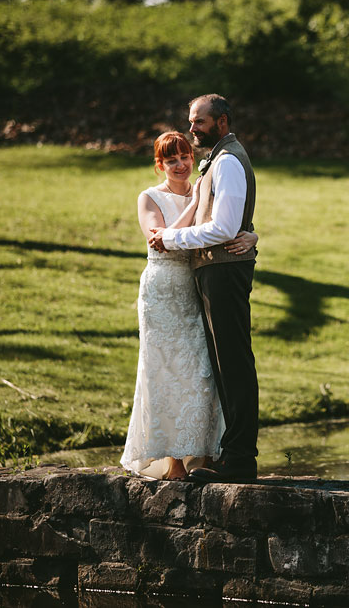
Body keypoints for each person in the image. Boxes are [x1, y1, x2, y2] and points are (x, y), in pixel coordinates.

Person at [121, 131, 258, 481]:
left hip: (197, 286)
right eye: (171, 160)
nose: (180, 165)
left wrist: (251, 235)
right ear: (159, 165)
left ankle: (203, 452)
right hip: (164, 290)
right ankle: (173, 462)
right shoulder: (149, 198)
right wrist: (195, 205)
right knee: (164, 367)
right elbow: (160, 242)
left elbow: (224, 223)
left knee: (200, 369)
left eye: (184, 157)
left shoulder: (204, 185)